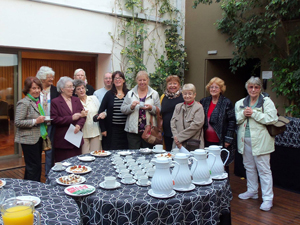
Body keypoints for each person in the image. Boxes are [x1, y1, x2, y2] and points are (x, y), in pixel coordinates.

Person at [235, 76, 278, 211]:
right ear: (247, 88)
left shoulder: (267, 102)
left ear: (260, 88)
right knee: (249, 167)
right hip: (244, 140)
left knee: (264, 170)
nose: (253, 90)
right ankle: (252, 191)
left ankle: (267, 198)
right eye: (250, 87)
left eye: (256, 87)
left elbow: (272, 118)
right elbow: (237, 119)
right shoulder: (240, 102)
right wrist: (244, 113)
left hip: (261, 141)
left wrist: (253, 113)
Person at [200, 77, 236, 173]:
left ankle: (224, 186)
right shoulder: (204, 101)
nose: (213, 89)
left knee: (222, 165)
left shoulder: (226, 102)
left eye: (216, 87)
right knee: (208, 164)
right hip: (206, 140)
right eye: (211, 87)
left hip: (221, 140)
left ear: (221, 89)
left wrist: (228, 139)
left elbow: (232, 121)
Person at [15, 77, 46, 181]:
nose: (37, 90)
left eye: (38, 88)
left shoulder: (36, 102)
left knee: (34, 167)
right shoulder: (24, 103)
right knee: (33, 167)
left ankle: (28, 189)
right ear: (27, 89)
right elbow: (18, 122)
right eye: (34, 88)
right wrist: (35, 121)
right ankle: (33, 190)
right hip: (28, 140)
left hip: (37, 138)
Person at [121, 71, 161, 149]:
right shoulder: (130, 93)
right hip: (133, 131)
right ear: (136, 81)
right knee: (134, 154)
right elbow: (122, 109)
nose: (142, 82)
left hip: (149, 131)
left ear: (148, 80)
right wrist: (131, 107)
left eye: (144, 80)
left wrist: (151, 108)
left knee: (148, 154)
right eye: (140, 80)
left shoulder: (154, 94)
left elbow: (159, 110)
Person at [51, 76, 86, 162]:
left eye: (72, 86)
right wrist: (71, 118)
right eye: (69, 87)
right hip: (63, 141)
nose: (72, 89)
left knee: (77, 166)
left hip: (76, 139)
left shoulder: (76, 100)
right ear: (62, 89)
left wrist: (79, 125)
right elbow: (54, 119)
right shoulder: (55, 102)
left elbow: (83, 115)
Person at [36, 66, 59, 177]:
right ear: (42, 78)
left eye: (52, 77)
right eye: (49, 77)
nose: (52, 79)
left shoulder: (55, 90)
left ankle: (48, 175)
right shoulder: (36, 90)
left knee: (50, 151)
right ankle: (36, 175)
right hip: (38, 125)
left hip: (51, 124)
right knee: (37, 150)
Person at [96, 71, 129, 150]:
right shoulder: (109, 94)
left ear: (123, 80)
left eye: (120, 78)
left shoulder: (129, 93)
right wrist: (103, 129)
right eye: (115, 78)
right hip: (112, 130)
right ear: (113, 81)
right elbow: (101, 112)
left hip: (126, 130)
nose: (118, 80)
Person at [171, 83, 205, 150]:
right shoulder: (178, 107)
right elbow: (173, 123)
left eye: (190, 93)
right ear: (182, 94)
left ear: (194, 95)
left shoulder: (198, 107)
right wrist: (176, 137)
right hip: (177, 143)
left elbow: (196, 126)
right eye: (185, 94)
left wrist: (179, 138)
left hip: (193, 144)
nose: (187, 96)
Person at [74, 79, 101, 153]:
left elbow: (100, 111)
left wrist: (103, 114)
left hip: (95, 132)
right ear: (75, 92)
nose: (81, 90)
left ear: (86, 89)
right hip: (82, 133)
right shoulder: (74, 102)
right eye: (78, 89)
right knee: (84, 156)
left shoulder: (93, 98)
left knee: (96, 155)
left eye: (82, 88)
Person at [160, 75, 184, 151]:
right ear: (167, 85)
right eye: (170, 84)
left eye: (175, 83)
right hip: (166, 131)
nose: (172, 86)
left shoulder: (183, 96)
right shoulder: (163, 97)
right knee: (168, 153)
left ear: (179, 85)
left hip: (180, 132)